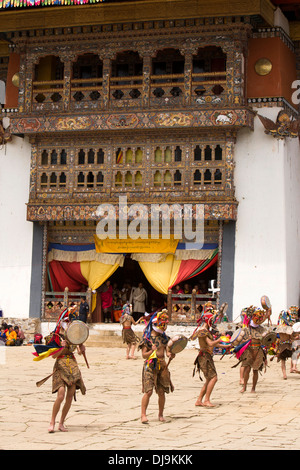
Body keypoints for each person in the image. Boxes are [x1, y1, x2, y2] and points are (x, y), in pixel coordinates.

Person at [35, 308, 87, 433]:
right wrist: (61, 348)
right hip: (60, 365)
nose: (68, 323)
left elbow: (78, 352)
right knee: (61, 394)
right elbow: (53, 356)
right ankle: (52, 421)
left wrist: (82, 349)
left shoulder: (75, 334)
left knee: (70, 396)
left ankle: (62, 422)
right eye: (67, 320)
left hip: (72, 366)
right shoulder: (56, 336)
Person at [139, 310, 175, 423]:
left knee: (161, 391)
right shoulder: (147, 339)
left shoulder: (164, 338)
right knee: (148, 391)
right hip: (150, 365)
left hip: (162, 365)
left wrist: (170, 355)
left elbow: (167, 351)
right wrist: (151, 351)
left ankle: (160, 414)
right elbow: (144, 355)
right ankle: (143, 415)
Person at [193, 310, 229, 407]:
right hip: (205, 357)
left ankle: (199, 400)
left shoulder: (204, 331)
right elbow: (211, 344)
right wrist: (220, 338)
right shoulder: (203, 331)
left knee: (209, 379)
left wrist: (227, 346)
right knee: (214, 378)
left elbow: (213, 344)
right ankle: (206, 400)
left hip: (206, 356)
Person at [238, 307, 268, 393]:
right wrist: (247, 340)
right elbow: (240, 340)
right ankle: (244, 387)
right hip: (249, 350)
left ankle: (253, 388)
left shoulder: (262, 329)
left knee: (255, 370)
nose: (259, 319)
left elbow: (266, 341)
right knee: (247, 369)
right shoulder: (246, 328)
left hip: (258, 350)